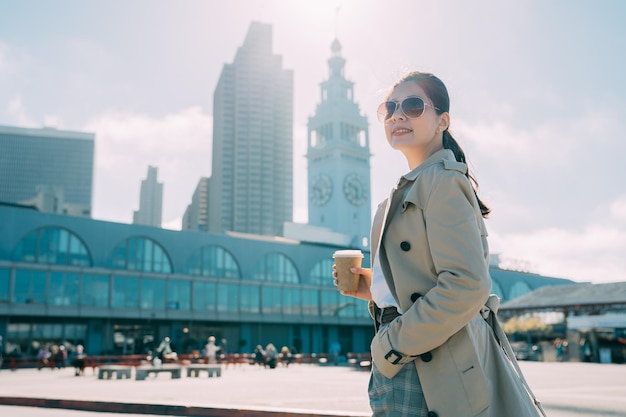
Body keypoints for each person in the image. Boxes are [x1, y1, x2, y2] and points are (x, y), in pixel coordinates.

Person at [333, 71, 545, 417]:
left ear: (442, 121)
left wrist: (391, 345)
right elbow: (421, 285)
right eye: (390, 107)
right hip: (409, 357)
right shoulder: (402, 192)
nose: (398, 115)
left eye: (413, 105)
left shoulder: (443, 181)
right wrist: (373, 288)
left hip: (427, 361)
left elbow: (467, 285)